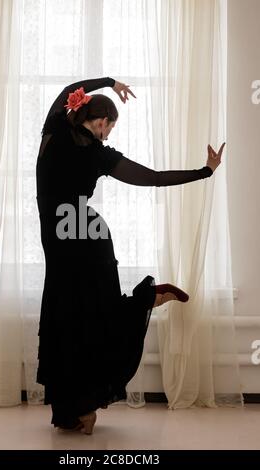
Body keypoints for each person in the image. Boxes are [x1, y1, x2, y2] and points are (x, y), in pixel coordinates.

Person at [36, 77, 225, 435]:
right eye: (110, 126)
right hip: (86, 237)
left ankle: (80, 408)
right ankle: (146, 300)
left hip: (67, 239)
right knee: (87, 316)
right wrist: (205, 172)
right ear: (104, 121)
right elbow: (152, 178)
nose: (108, 134)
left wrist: (107, 81)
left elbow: (68, 90)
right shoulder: (96, 152)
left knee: (72, 318)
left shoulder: (53, 131)